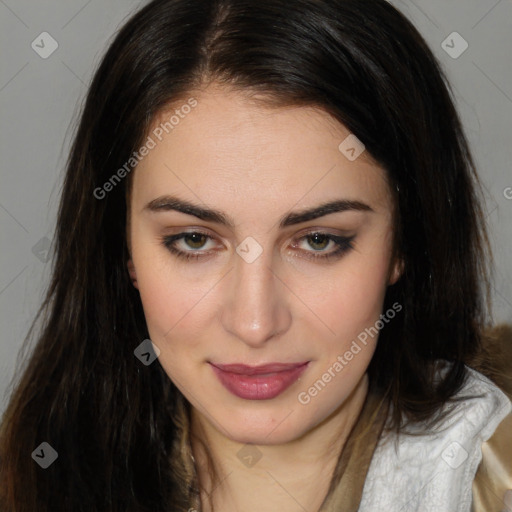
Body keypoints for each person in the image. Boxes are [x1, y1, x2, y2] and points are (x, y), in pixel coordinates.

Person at [0, 0, 510, 510]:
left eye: (318, 241)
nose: (254, 323)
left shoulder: (494, 476)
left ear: (405, 243)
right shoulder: (30, 476)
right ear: (123, 247)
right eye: (194, 240)